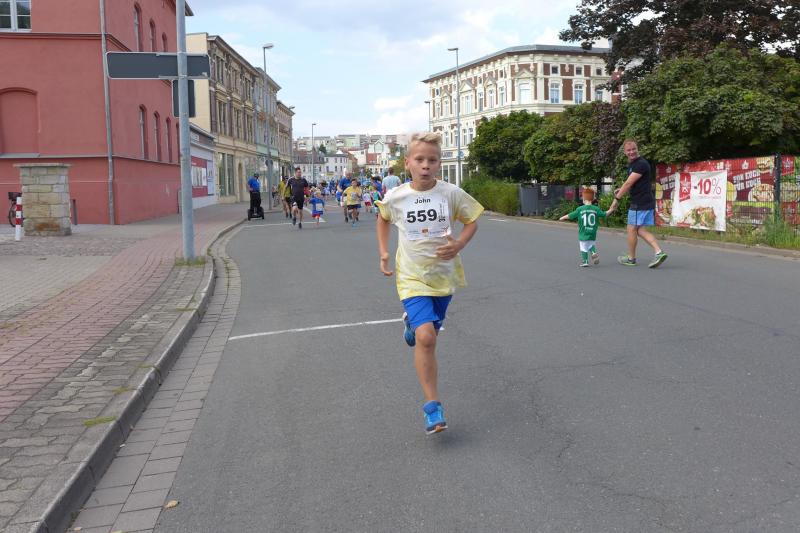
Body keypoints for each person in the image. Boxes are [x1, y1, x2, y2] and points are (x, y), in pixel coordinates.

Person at [375, 132, 483, 435]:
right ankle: (432, 406)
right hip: (411, 277)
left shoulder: (451, 193)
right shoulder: (396, 196)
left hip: (443, 277)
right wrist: (384, 252)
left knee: (428, 333)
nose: (426, 165)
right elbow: (383, 218)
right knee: (427, 339)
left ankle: (412, 324)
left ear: (439, 163)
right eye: (420, 159)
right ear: (407, 163)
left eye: (432, 160)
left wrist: (459, 244)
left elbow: (472, 220)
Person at [613, 139, 668, 268]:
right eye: (628, 150)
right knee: (640, 230)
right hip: (644, 201)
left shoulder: (640, 164)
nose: (631, 152)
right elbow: (634, 183)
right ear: (624, 152)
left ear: (637, 149)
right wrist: (621, 189)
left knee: (631, 229)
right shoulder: (634, 164)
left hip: (639, 203)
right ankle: (658, 252)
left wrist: (616, 199)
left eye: (633, 149)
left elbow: (628, 183)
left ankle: (631, 259)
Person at [559, 187, 616, 266]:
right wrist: (611, 209)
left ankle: (585, 261)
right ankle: (593, 252)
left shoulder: (580, 209)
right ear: (592, 199)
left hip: (583, 231)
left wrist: (562, 217)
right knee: (591, 244)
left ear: (584, 198)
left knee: (583, 247)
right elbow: (604, 214)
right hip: (592, 232)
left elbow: (571, 215)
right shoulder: (596, 209)